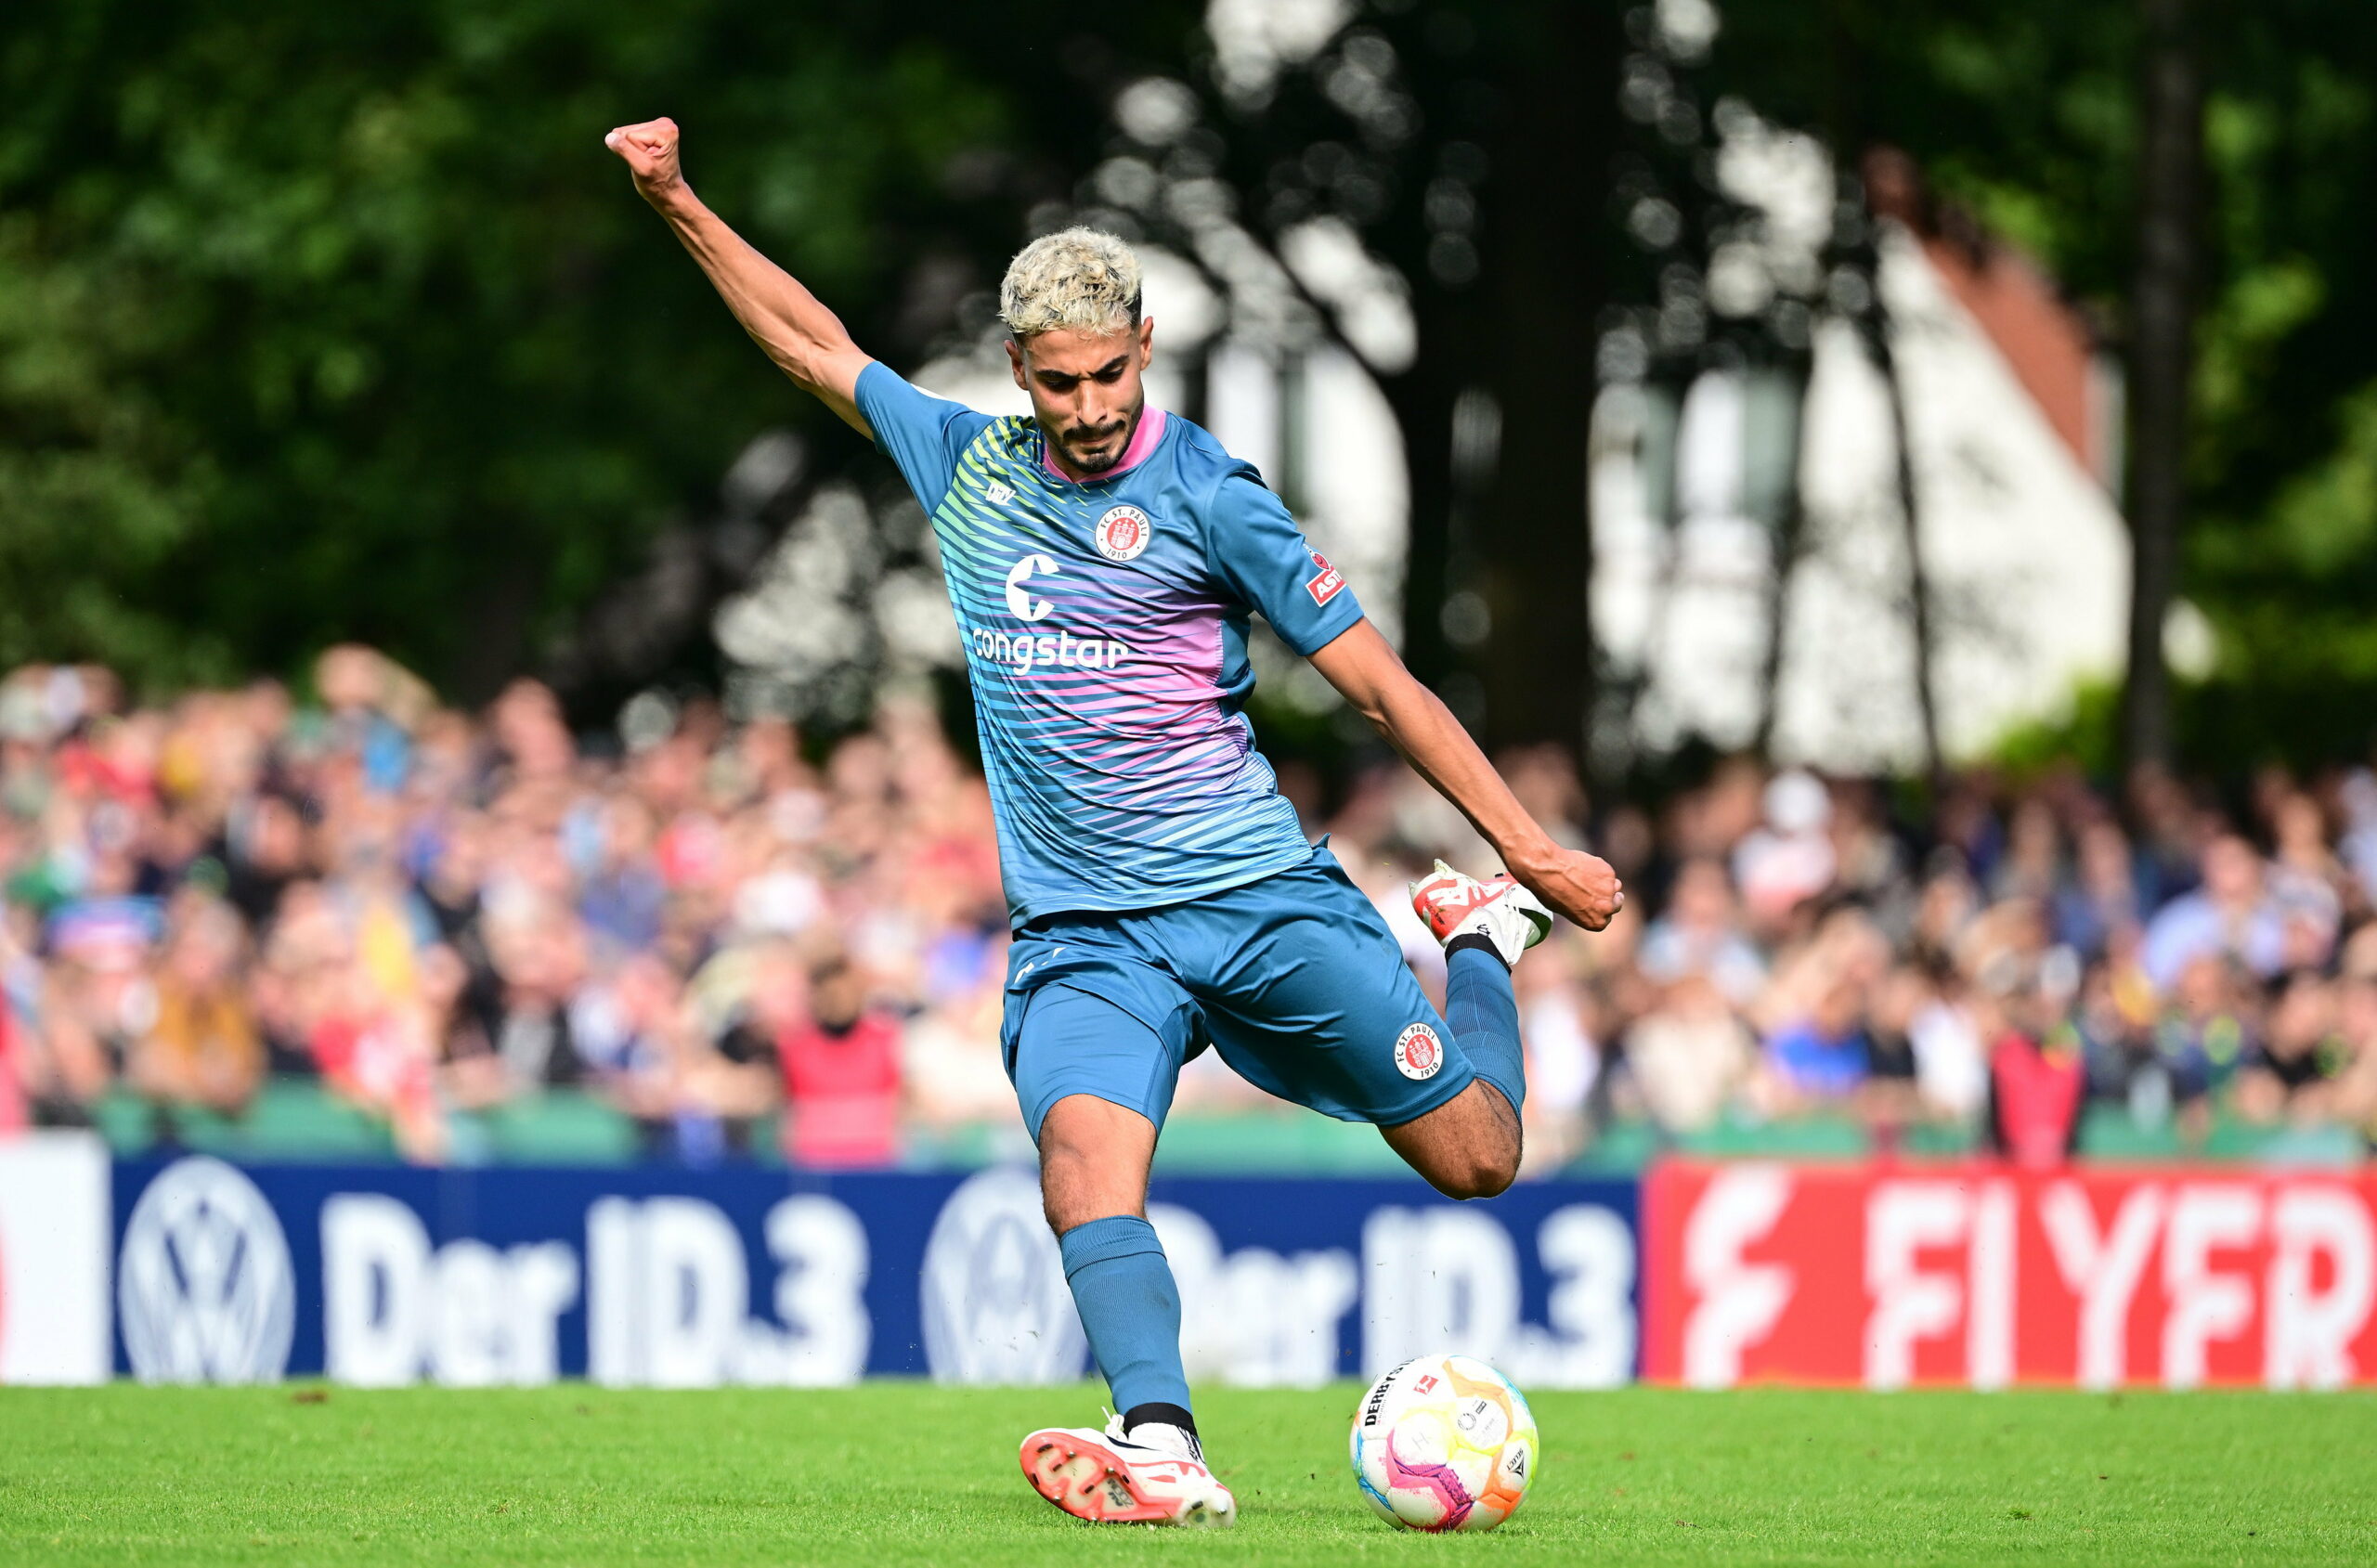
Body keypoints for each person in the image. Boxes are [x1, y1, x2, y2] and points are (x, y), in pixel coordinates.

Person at [606, 117, 1624, 1528]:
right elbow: (809, 343)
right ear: (1018, 372)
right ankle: (1160, 1436)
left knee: (1480, 1160)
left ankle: (1479, 946)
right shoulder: (968, 468)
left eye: (1108, 375)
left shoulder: (1212, 494)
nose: (1087, 408)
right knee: (1083, 1160)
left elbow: (1381, 688)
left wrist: (1524, 849)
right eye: (1058, 382)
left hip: (1258, 895)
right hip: (1088, 931)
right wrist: (674, 199)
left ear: (1143, 347)